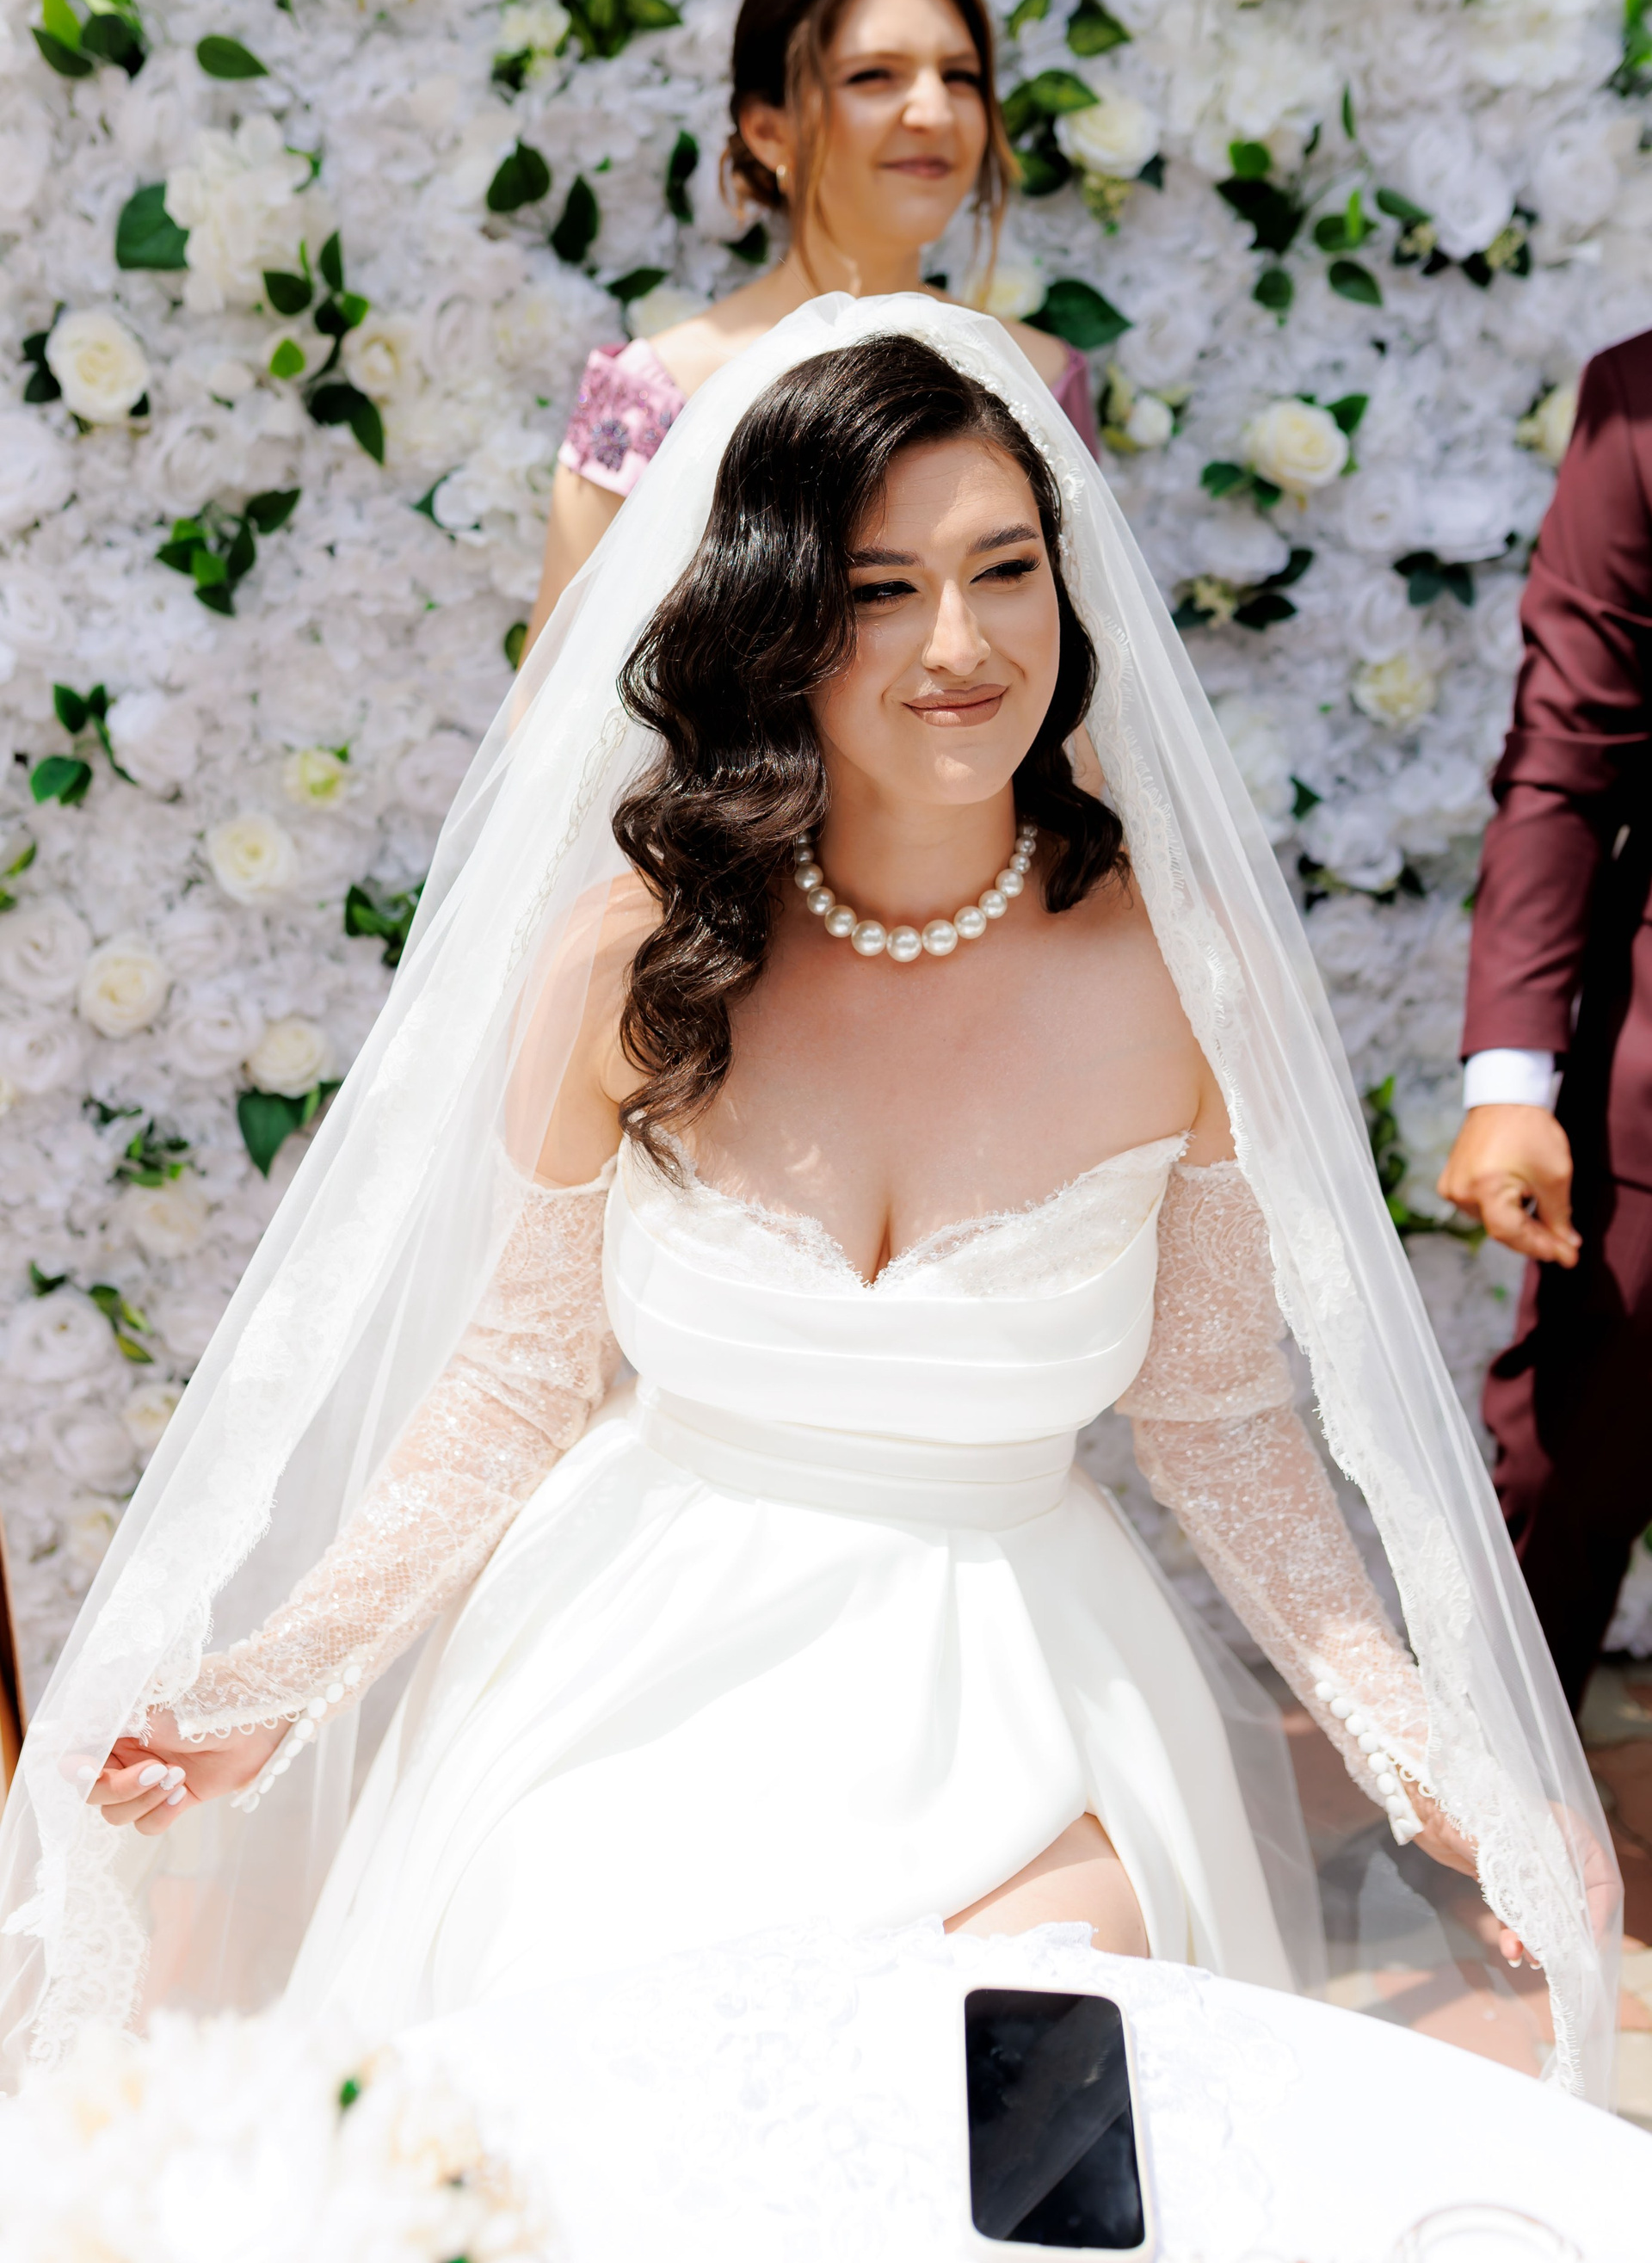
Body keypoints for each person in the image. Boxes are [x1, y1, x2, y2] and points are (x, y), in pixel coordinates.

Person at [0, 301, 1616, 2103]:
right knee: (601, 2085)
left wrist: (1436, 1766)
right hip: (630, 1680)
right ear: (779, 621)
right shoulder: (630, 962)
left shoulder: (1182, 973)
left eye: (1005, 570)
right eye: (880, 589)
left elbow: (1220, 1421)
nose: (962, 644)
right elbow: (515, 1389)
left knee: (1015, 2094)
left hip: (1026, 1691)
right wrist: (274, 1682)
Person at [523, 0, 1098, 663]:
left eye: (960, 76)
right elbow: (552, 694)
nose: (934, 111)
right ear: (769, 130)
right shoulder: (651, 396)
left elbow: (1084, 669)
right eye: (875, 76)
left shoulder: (1042, 378)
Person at [1439, 330, 1652, 1717]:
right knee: (1568, 1475)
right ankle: (1506, 1809)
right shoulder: (1640, 404)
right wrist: (1512, 1081)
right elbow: (1567, 764)